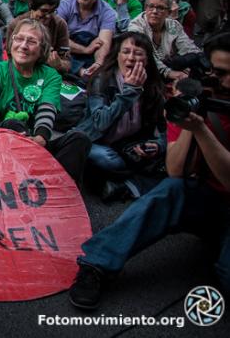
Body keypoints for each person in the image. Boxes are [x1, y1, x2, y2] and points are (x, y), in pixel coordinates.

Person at [69, 31, 230, 309]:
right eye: (216, 72)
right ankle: (96, 263)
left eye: (225, 73)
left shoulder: (153, 86)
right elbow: (176, 170)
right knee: (169, 189)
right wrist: (194, 124)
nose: (219, 81)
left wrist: (161, 143)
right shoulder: (104, 81)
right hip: (199, 194)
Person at [0, 18, 91, 181]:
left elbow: (47, 110)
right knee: (11, 125)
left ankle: (60, 189)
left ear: (42, 49)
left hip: (36, 142)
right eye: (19, 39)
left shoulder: (50, 75)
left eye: (31, 42)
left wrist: (40, 138)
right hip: (3, 143)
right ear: (11, 42)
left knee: (79, 139)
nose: (23, 46)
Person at [73, 32, 166, 200]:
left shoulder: (153, 87)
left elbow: (164, 131)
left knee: (166, 155)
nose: (131, 58)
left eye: (138, 53)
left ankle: (118, 181)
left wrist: (157, 145)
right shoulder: (102, 80)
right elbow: (100, 123)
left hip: (128, 146)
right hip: (97, 142)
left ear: (147, 60)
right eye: (126, 52)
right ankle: (127, 179)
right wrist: (130, 92)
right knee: (105, 158)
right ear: (117, 56)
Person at [127, 0, 203, 82]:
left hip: (170, 70)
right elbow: (145, 56)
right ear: (146, 7)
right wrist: (168, 73)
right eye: (151, 6)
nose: (154, 11)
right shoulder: (136, 27)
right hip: (143, 73)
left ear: (169, 12)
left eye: (161, 8)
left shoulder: (173, 25)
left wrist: (191, 62)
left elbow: (189, 48)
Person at [58, 0, 116, 80]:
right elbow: (58, 40)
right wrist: (85, 49)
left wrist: (98, 64)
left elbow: (104, 43)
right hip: (67, 52)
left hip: (91, 55)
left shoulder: (108, 12)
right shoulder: (64, 5)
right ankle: (79, 71)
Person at [7, 0, 71, 75]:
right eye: (44, 11)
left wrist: (59, 64)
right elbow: (10, 58)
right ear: (32, 6)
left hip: (49, 73)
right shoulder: (16, 25)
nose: (48, 16)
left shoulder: (59, 24)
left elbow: (67, 64)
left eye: (52, 11)